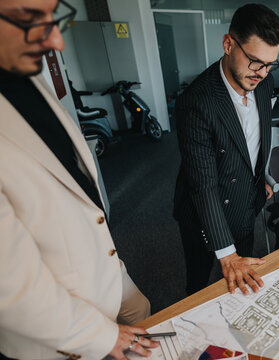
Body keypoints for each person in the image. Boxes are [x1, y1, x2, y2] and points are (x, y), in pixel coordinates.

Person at [0, 1, 157, 358]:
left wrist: (115, 274)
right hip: (57, 328)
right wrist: (103, 337)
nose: (56, 41)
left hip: (109, 276)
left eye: (53, 17)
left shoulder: (25, 78)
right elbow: (11, 288)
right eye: (28, 20)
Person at [173, 4, 279, 296]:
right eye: (255, 61)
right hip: (204, 211)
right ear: (228, 44)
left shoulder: (265, 82)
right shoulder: (196, 102)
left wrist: (258, 176)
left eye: (270, 64)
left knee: (242, 280)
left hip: (246, 199)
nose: (262, 73)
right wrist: (226, 253)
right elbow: (203, 185)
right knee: (199, 283)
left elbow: (254, 139)